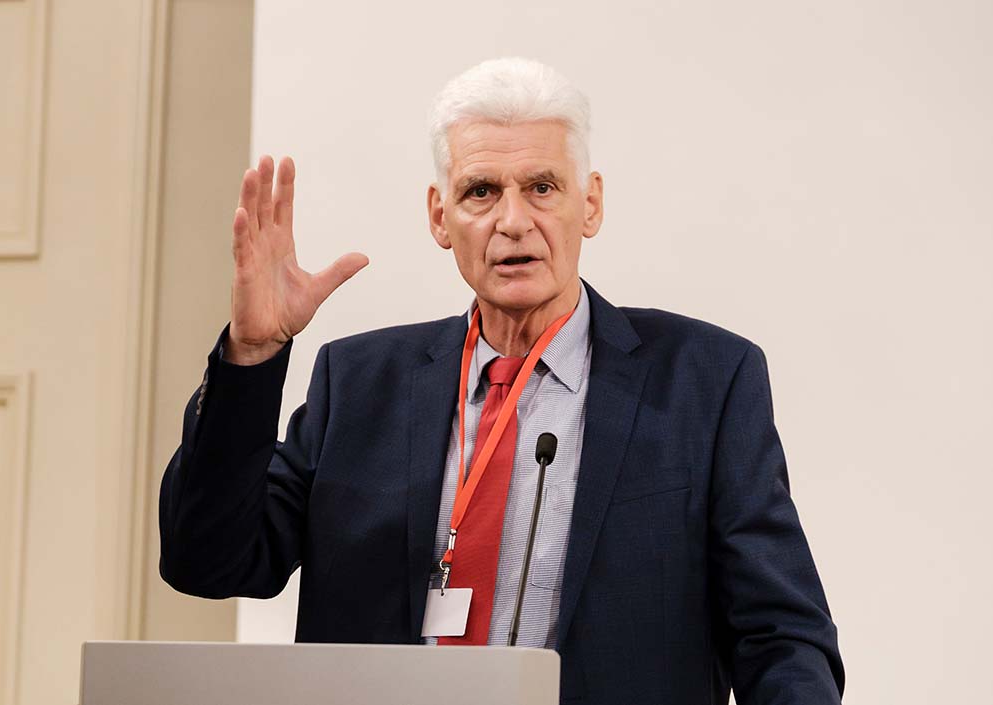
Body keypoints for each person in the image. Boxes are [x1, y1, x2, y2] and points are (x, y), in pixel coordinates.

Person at [159, 57, 845, 704]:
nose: (513, 222)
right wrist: (252, 353)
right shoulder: (359, 383)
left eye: (542, 188)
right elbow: (208, 560)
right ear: (440, 216)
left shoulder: (705, 382)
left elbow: (780, 635)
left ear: (590, 204)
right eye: (481, 191)